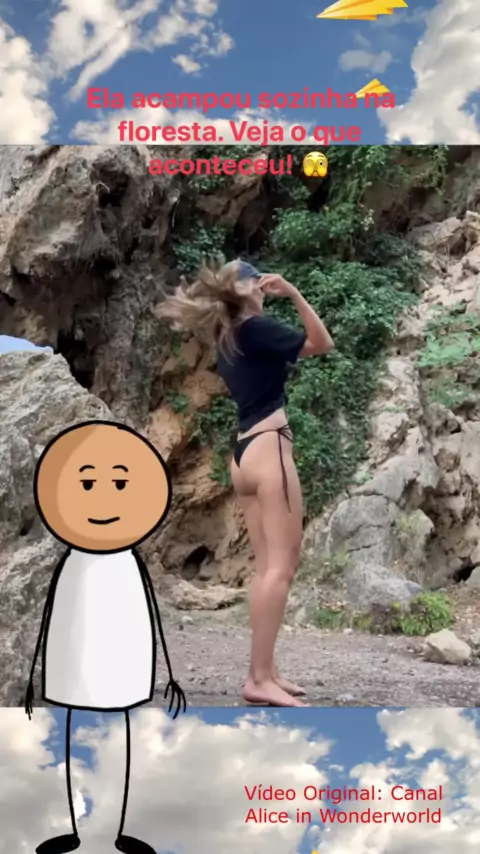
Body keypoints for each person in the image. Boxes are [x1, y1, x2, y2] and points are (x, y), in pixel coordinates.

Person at [157, 259, 334, 707]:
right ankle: (257, 678)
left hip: (243, 454)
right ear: (253, 287)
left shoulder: (228, 338)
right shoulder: (257, 329)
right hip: (270, 449)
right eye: (259, 280)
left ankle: (267, 671)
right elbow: (321, 343)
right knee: (283, 567)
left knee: (265, 568)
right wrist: (293, 292)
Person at [27, 420, 187, 854]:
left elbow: (150, 615)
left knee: (122, 725)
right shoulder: (72, 565)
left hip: (123, 655)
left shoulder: (128, 566)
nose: (102, 498)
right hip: (73, 657)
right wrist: (33, 676)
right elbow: (51, 616)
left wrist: (170, 673)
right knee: (73, 722)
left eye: (120, 484)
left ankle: (120, 829)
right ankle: (72, 827)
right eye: (86, 484)